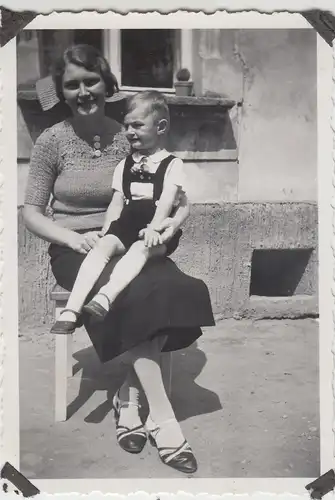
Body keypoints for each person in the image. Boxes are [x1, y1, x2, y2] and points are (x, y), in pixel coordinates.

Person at [23, 44, 215, 474]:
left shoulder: (131, 133)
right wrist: (73, 241)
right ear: (62, 92)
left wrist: (167, 225)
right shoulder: (51, 142)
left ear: (107, 84)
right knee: (131, 298)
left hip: (134, 240)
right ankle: (165, 423)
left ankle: (127, 397)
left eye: (90, 81)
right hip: (77, 248)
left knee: (172, 288)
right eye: (72, 84)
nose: (83, 91)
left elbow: (173, 195)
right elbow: (31, 213)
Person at [51, 90, 188, 334]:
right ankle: (72, 309)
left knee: (140, 249)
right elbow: (117, 200)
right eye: (126, 125)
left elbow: (167, 200)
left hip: (156, 227)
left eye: (137, 125)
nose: (129, 131)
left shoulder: (172, 164)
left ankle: (106, 296)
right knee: (103, 247)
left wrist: (154, 228)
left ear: (161, 127)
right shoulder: (125, 164)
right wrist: (108, 230)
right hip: (129, 220)